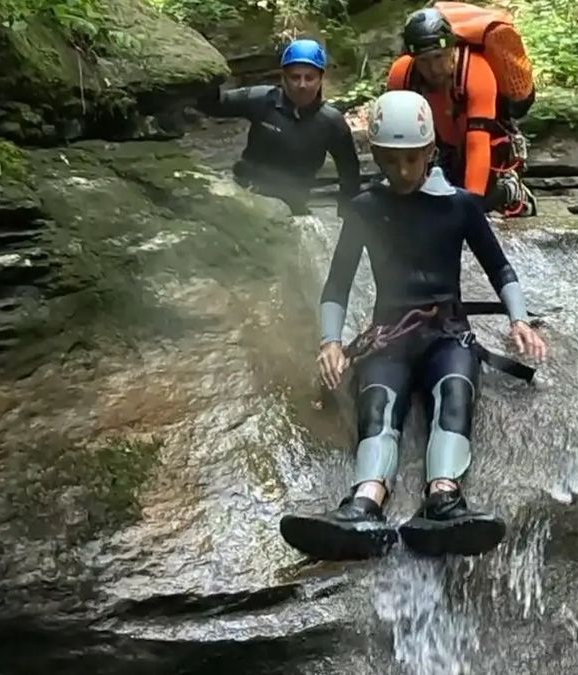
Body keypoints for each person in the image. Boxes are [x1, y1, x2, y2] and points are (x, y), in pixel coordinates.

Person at [278, 90, 548, 561]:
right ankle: (365, 502)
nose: (402, 172)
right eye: (392, 161)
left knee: (455, 390)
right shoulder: (364, 208)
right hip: (390, 337)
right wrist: (330, 343)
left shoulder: (460, 205)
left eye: (412, 160)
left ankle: (443, 499)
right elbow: (337, 284)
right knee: (379, 401)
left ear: (429, 154)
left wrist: (520, 319)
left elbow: (499, 268)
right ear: (377, 156)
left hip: (448, 334)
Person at [385, 7, 537, 219]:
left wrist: (469, 210)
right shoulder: (402, 75)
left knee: (478, 201)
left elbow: (478, 144)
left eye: (438, 57)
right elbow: (394, 138)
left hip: (488, 147)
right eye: (424, 61)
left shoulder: (475, 72)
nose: (433, 68)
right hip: (443, 149)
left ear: (451, 48)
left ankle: (512, 191)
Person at [197, 38, 362, 216]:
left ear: (321, 78)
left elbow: (349, 172)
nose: (302, 85)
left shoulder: (331, 122)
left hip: (294, 205)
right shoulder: (261, 99)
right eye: (295, 77)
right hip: (247, 196)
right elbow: (214, 106)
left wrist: (347, 213)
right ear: (283, 77)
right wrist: (209, 74)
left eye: (310, 77)